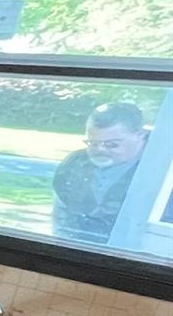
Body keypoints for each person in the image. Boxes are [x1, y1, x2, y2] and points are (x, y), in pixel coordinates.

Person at [52, 102, 149, 243]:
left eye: (112, 144)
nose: (100, 150)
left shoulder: (164, 174)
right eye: (92, 143)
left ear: (140, 136)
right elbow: (61, 219)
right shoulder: (74, 165)